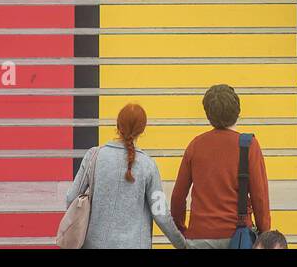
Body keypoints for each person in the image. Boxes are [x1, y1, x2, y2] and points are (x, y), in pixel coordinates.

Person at [66, 103, 187, 248]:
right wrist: (182, 244)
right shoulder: (148, 165)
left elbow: (70, 197)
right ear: (142, 130)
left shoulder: (94, 156)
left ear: (117, 125)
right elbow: (161, 214)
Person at [170, 85, 272, 248]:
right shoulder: (248, 145)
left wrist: (182, 230)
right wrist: (264, 234)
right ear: (237, 111)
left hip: (200, 236)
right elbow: (260, 197)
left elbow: (178, 197)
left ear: (208, 115)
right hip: (238, 237)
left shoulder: (195, 145)